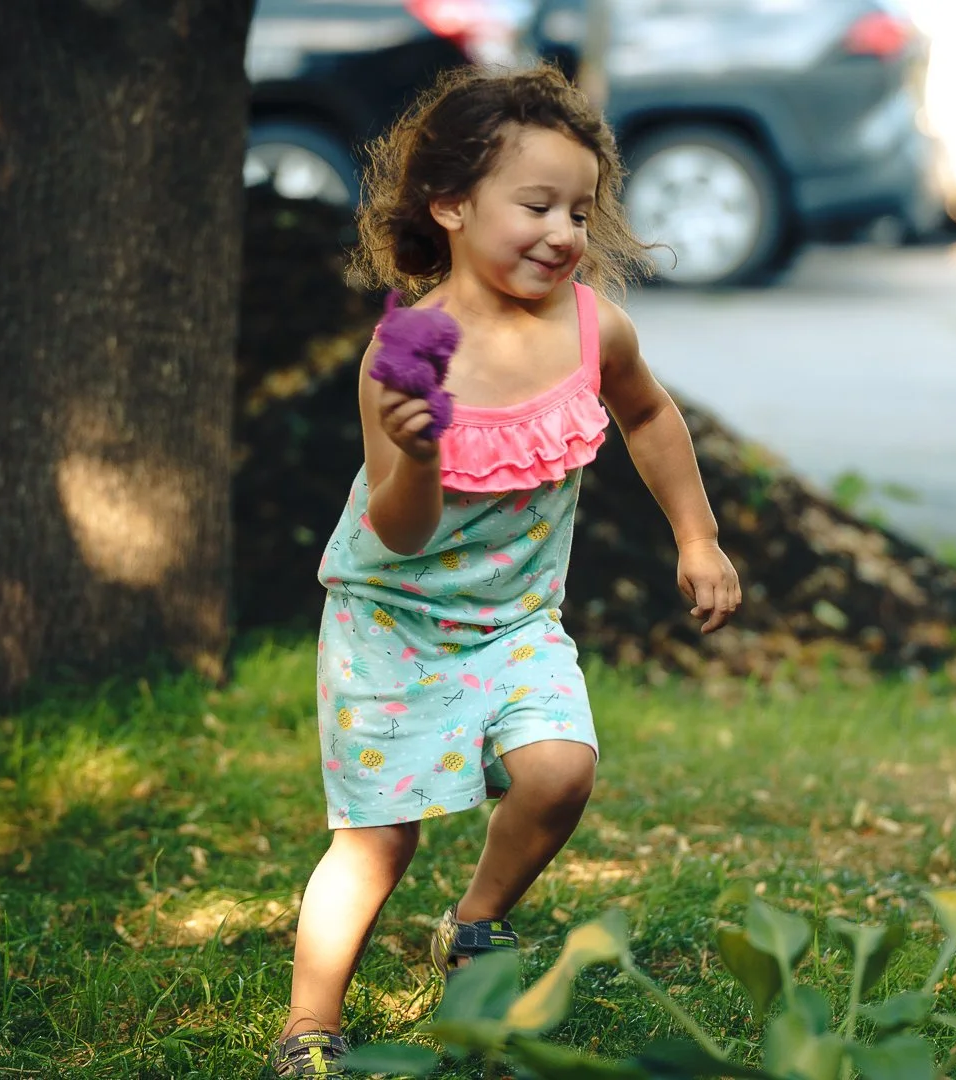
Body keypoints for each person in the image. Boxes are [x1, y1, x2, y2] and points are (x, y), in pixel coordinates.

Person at [261, 65, 742, 1078]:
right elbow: (398, 530)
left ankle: (475, 920)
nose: (563, 233)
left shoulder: (591, 327)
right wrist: (419, 456)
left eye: (579, 211)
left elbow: (650, 415)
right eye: (536, 206)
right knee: (378, 841)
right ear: (450, 205)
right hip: (392, 620)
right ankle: (309, 1024)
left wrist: (696, 538)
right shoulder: (406, 356)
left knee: (561, 772)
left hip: (516, 619)